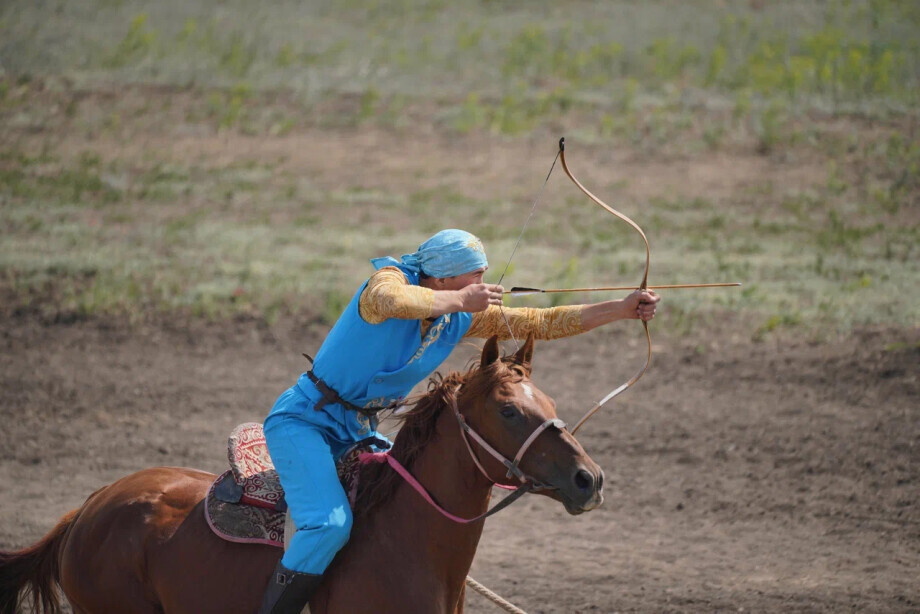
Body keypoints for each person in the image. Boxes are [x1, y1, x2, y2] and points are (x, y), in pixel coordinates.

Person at [258, 229, 660, 613]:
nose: (482, 285)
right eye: (476, 275)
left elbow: (541, 321)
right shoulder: (387, 283)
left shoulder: (459, 315)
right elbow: (392, 300)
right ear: (443, 277)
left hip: (359, 432)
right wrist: (461, 300)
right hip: (304, 424)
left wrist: (621, 309)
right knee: (329, 525)